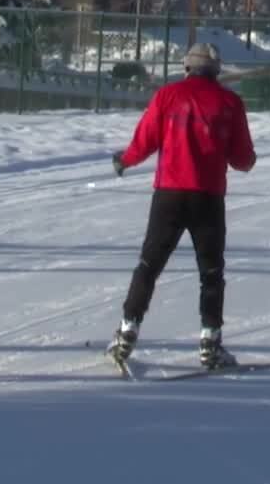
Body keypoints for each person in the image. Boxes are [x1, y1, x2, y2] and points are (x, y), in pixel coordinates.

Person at [106, 42, 256, 370]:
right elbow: (242, 159)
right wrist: (246, 159)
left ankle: (127, 331)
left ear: (187, 68)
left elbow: (144, 141)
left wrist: (124, 160)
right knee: (211, 272)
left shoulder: (168, 96)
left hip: (169, 195)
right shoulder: (230, 103)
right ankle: (210, 342)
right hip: (208, 198)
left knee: (149, 265)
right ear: (216, 71)